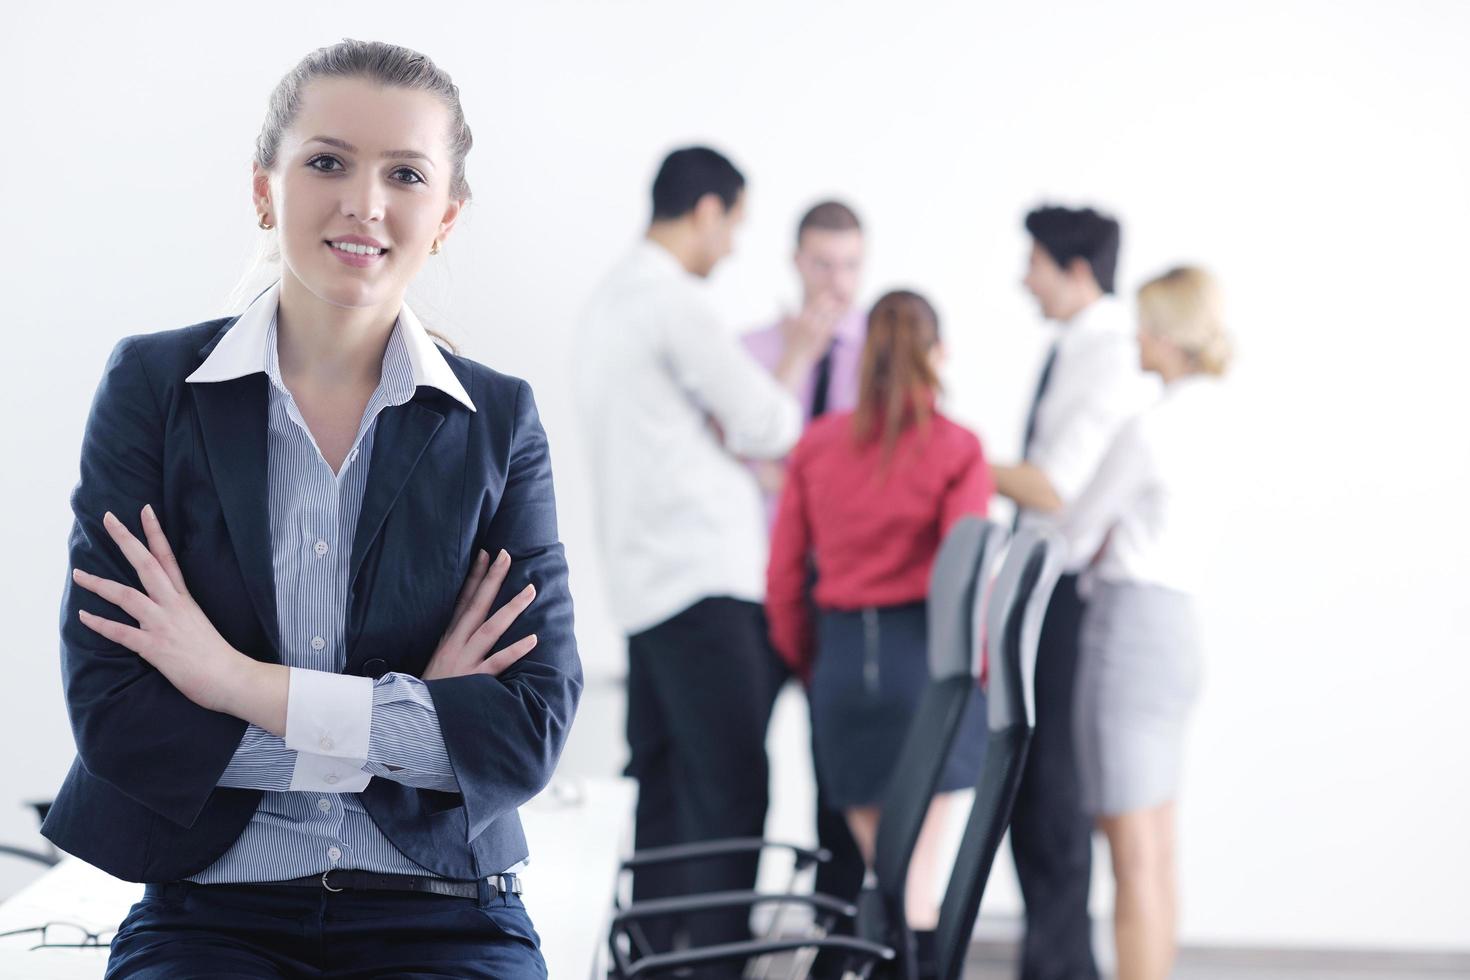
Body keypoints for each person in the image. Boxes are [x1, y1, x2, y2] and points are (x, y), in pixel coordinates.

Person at [43, 40, 581, 978]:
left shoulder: (496, 421)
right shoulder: (153, 388)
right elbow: (118, 715)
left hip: (445, 911)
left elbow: (527, 728)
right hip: (212, 911)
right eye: (326, 161)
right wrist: (414, 729)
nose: (364, 203)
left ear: (445, 215)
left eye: (404, 174)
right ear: (265, 189)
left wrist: (228, 682)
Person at [575, 147, 826, 958]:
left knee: (664, 786)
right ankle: (716, 966)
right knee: (729, 791)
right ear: (707, 210)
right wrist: (798, 354)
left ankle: (651, 960)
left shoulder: (609, 303)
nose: (733, 247)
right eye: (736, 226)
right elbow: (769, 422)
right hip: (706, 585)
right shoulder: (674, 303)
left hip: (646, 586)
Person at [766, 289, 993, 972]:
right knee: (919, 882)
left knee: (887, 877)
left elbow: (782, 581)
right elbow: (965, 584)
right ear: (937, 353)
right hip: (928, 666)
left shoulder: (816, 446)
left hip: (843, 667)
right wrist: (975, 673)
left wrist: (813, 667)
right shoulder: (958, 448)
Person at [992, 205, 1157, 980]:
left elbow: (1052, 485)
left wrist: (947, 452)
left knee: (1051, 792)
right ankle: (1051, 963)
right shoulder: (1078, 348)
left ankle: (1061, 971)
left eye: (1035, 263)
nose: (1025, 278)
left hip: (1066, 595)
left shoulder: (1110, 353)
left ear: (1075, 269)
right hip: (1040, 587)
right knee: (1031, 792)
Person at [1063, 266, 1231, 980]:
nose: (1133, 336)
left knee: (1130, 854)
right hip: (1179, 632)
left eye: (1142, 323)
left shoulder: (1149, 427)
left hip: (1129, 633)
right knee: (1157, 846)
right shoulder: (1216, 418)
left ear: (1166, 334)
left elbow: (1073, 534)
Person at [740, 199, 870, 921]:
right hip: (759, 584)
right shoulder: (756, 350)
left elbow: (868, 476)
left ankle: (835, 923)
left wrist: (788, 473)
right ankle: (736, 923)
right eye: (822, 263)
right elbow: (747, 451)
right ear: (796, 261)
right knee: (739, 760)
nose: (836, 282)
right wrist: (798, 359)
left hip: (845, 591)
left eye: (850, 265)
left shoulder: (885, 356)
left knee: (839, 767)